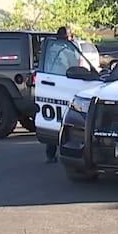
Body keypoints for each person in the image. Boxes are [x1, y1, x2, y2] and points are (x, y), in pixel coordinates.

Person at [45, 26, 72, 163]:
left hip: (51, 89)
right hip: (66, 90)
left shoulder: (50, 50)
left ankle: (51, 153)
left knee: (52, 121)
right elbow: (75, 70)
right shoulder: (67, 51)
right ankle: (68, 154)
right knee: (68, 122)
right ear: (67, 37)